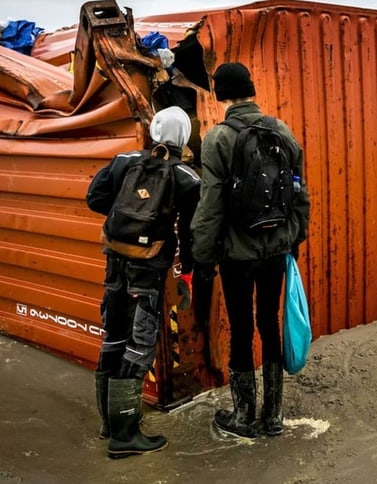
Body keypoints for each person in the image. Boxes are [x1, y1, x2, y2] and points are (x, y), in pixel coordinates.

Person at [191, 62, 311, 438]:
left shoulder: (217, 139)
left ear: (221, 95)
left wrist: (203, 256)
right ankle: (273, 417)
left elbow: (210, 205)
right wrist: (293, 239)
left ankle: (244, 418)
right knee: (269, 323)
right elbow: (299, 192)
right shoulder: (282, 130)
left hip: (236, 254)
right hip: (276, 249)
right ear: (251, 90)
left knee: (242, 328)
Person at [85, 106, 200, 458]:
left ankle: (109, 424)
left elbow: (95, 200)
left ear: (153, 130)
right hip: (147, 271)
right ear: (183, 138)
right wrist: (192, 267)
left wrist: (127, 221)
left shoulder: (123, 161)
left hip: (115, 265)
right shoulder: (186, 178)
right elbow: (193, 233)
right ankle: (125, 435)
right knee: (139, 344)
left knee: (114, 335)